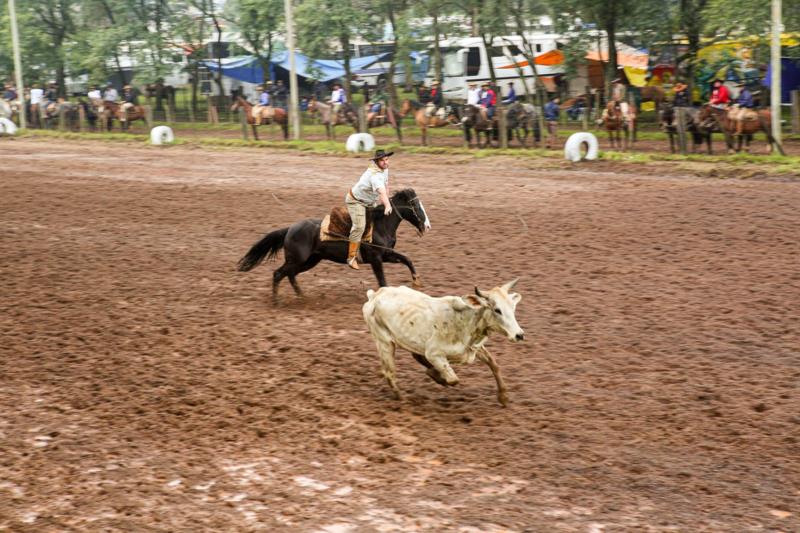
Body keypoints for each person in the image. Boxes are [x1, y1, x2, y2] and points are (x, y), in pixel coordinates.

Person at [345, 149, 393, 270]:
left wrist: (387, 200)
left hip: (369, 202)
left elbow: (386, 186)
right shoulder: (374, 175)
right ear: (377, 162)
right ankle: (351, 257)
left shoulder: (384, 170)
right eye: (382, 160)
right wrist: (387, 205)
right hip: (356, 201)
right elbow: (381, 192)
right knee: (359, 226)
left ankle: (370, 245)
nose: (385, 162)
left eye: (386, 159)